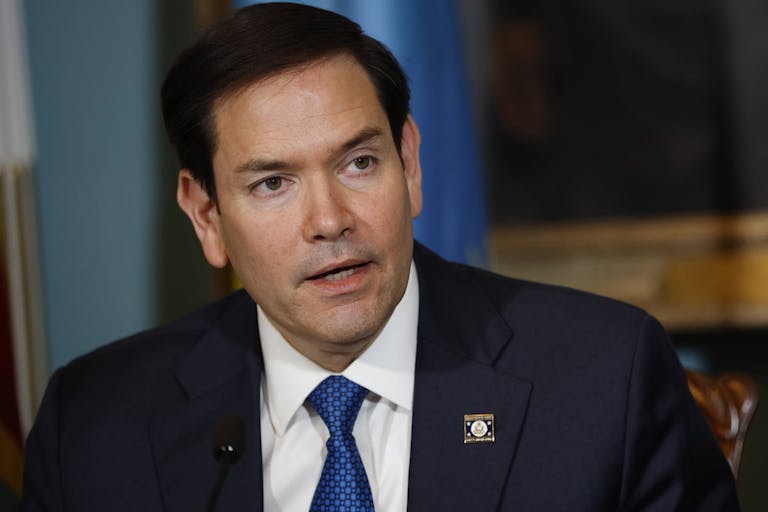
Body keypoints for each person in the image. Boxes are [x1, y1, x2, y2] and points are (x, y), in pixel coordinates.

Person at [21, 2, 739, 511]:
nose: (329, 220)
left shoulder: (601, 378)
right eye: (272, 183)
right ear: (206, 214)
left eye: (359, 163)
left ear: (412, 164)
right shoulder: (95, 426)